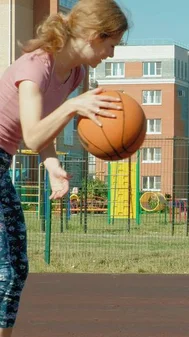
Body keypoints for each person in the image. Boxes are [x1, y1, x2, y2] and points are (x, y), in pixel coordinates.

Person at [0, 0, 129, 334]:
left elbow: (41, 133)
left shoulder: (76, 74)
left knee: (17, 267)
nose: (111, 55)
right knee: (6, 272)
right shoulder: (35, 67)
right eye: (110, 45)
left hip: (2, 162)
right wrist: (72, 106)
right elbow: (32, 132)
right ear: (91, 35)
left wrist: (52, 165)